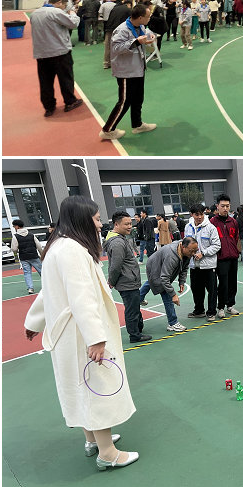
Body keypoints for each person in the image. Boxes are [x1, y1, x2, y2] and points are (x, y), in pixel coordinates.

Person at [24, 195, 139, 470]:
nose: (100, 225)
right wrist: (96, 339)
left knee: (81, 386)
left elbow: (49, 293)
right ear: (81, 220)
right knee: (96, 388)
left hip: (69, 333)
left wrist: (34, 322)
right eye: (97, 219)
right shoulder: (73, 250)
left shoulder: (58, 247)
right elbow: (81, 298)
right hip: (81, 333)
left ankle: (92, 440)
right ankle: (108, 453)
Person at [100, 3, 157, 141]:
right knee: (124, 102)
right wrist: (136, 42)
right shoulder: (122, 30)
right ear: (140, 17)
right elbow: (116, 48)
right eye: (148, 16)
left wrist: (149, 36)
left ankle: (137, 124)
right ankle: (108, 130)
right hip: (126, 72)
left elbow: (144, 34)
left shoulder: (140, 26)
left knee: (138, 99)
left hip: (138, 69)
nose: (149, 18)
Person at [31, 0, 83, 117]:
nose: (64, 7)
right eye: (64, 5)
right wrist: (72, 13)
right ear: (59, 2)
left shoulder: (35, 13)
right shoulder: (55, 12)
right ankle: (70, 101)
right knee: (65, 79)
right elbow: (73, 23)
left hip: (42, 53)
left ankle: (49, 107)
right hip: (59, 52)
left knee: (45, 82)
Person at [105, 210, 150, 343]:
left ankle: (137, 329)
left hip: (129, 281)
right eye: (126, 224)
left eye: (130, 223)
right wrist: (111, 281)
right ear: (116, 224)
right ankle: (134, 335)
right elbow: (115, 266)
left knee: (134, 307)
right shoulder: (117, 243)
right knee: (132, 310)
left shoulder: (120, 239)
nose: (130, 226)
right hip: (127, 282)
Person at [144, 237, 195, 332]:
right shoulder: (172, 256)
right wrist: (173, 294)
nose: (193, 254)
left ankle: (139, 298)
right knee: (164, 291)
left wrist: (182, 282)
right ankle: (173, 323)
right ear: (183, 247)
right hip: (154, 264)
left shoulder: (187, 253)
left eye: (195, 251)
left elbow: (184, 268)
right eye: (191, 251)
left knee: (152, 282)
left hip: (160, 263)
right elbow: (164, 278)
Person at [184, 204, 222, 321]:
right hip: (194, 265)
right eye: (197, 214)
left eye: (202, 214)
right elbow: (185, 244)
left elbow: (217, 245)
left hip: (208, 265)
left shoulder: (211, 228)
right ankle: (199, 310)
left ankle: (211, 312)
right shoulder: (188, 227)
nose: (200, 217)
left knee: (212, 290)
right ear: (191, 215)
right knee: (196, 289)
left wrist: (203, 253)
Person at [210, 195, 241, 317]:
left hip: (233, 257)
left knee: (233, 282)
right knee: (223, 283)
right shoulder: (212, 222)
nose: (225, 208)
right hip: (221, 258)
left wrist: (236, 252)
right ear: (217, 206)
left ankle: (230, 305)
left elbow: (236, 238)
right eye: (222, 206)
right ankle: (221, 307)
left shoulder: (233, 222)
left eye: (227, 206)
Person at [10, 218, 43, 294]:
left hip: (24, 257)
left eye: (14, 226)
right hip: (34, 255)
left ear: (17, 226)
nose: (14, 228)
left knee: (27, 273)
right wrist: (41, 254)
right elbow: (39, 246)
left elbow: (14, 249)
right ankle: (49, 285)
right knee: (41, 271)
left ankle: (30, 288)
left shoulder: (15, 236)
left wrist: (17, 251)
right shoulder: (31, 235)